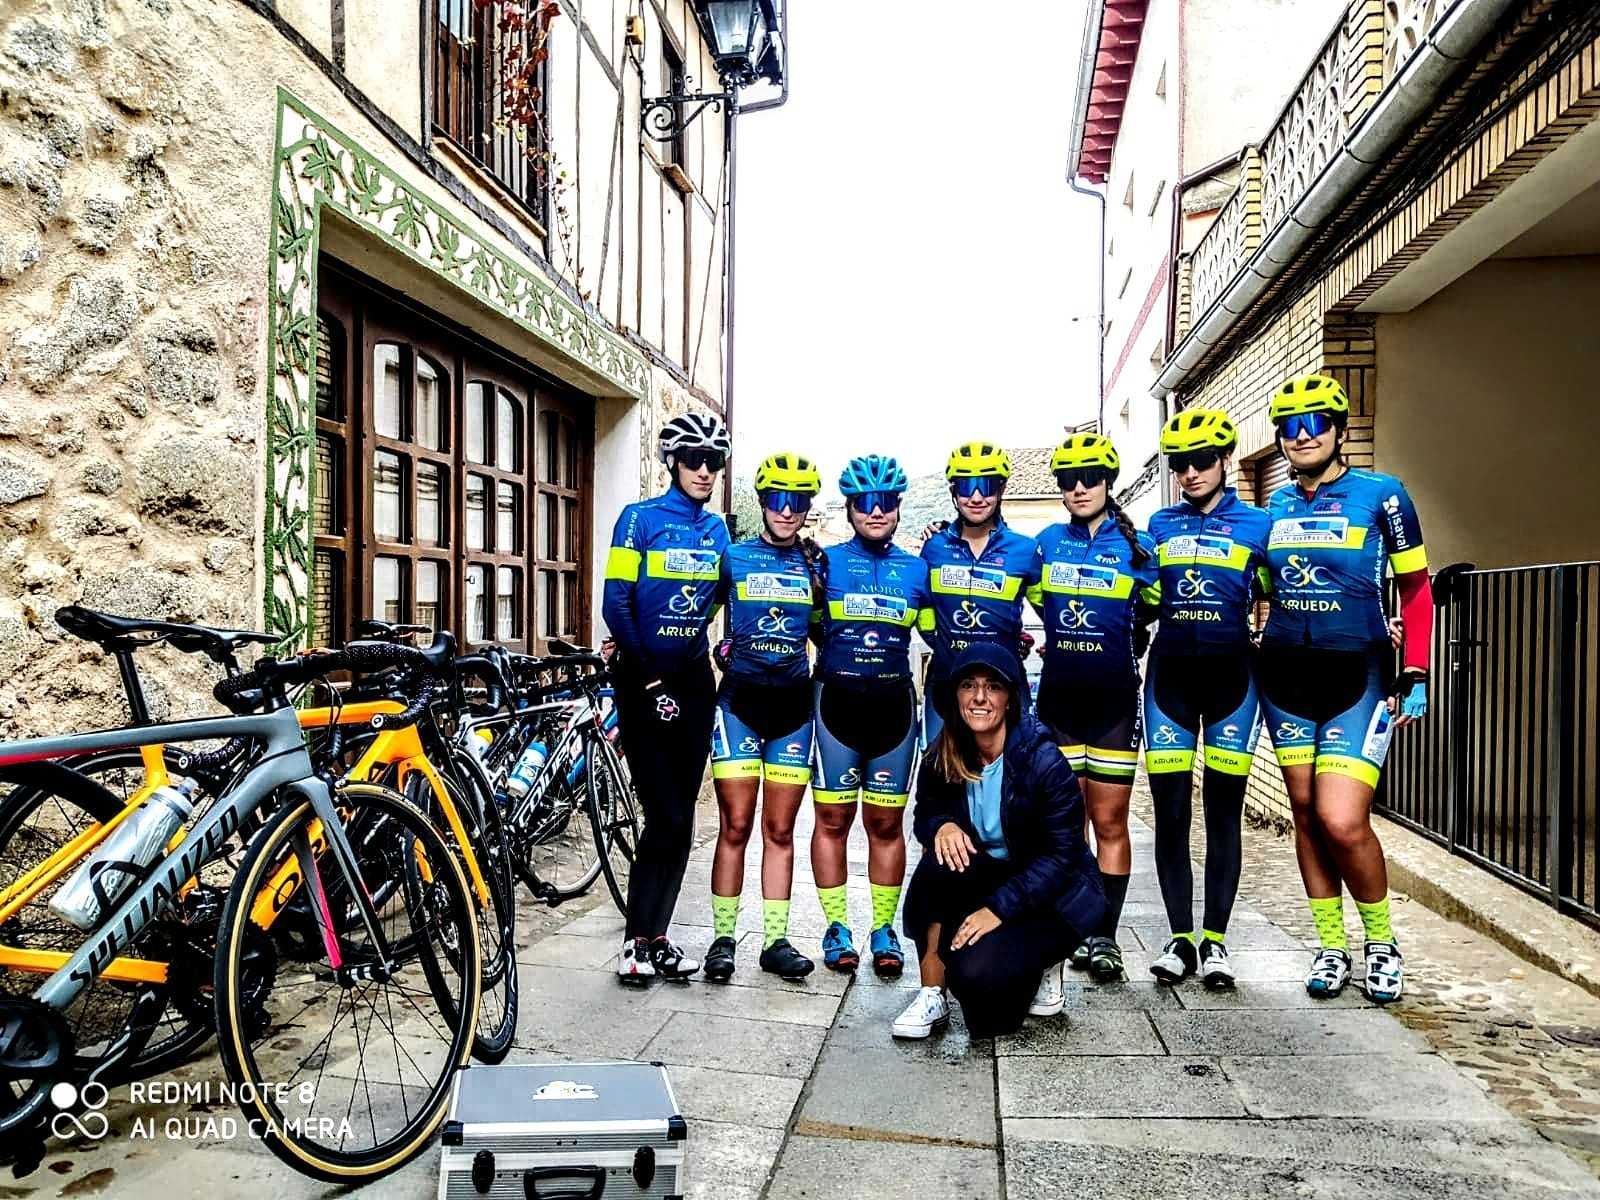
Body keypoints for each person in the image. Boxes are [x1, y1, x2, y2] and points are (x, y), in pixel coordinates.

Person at [1258, 374, 1432, 1004]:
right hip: (1283, 676)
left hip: (1356, 674)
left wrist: (1415, 669)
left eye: (1315, 423)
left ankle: (1381, 943)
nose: (1302, 435)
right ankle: (1332, 946)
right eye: (1290, 426)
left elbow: (1415, 589)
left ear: (1339, 430)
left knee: (1341, 817)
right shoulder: (1272, 508)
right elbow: (1251, 583)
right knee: (1305, 812)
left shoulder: (1382, 494)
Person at [892, 643, 1106, 1040]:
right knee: (938, 861)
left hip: (1053, 896)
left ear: (1009, 699)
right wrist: (941, 826)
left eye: (992, 687)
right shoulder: (944, 755)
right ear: (955, 695)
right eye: (969, 686)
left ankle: (1048, 959)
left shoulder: (1043, 761)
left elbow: (1061, 857)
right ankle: (931, 993)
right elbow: (926, 814)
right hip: (990, 876)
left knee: (989, 1013)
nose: (979, 698)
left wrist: (996, 910)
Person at [1143, 409, 1273, 989]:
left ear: (1225, 462)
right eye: (1180, 464)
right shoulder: (1158, 525)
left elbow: (1289, 590)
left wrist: (1379, 628)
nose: (1190, 472)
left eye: (1201, 461)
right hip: (1168, 680)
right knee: (1171, 816)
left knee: (1222, 815)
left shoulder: (1259, 525)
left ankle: (1216, 941)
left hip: (1232, 684)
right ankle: (1179, 939)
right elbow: (1138, 598)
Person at [1025, 432, 1157, 987]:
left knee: (1109, 822)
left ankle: (1103, 934)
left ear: (1109, 482)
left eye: (1090, 478)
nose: (1079, 488)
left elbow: (1153, 608)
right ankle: (1069, 927)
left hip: (1113, 704)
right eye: (1067, 481)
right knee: (1064, 826)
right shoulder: (1046, 542)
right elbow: (1028, 597)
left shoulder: (1138, 545)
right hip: (1057, 701)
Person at [603, 411, 731, 985]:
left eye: (715, 461)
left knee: (681, 823)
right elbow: (616, 603)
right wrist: (648, 675)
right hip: (643, 680)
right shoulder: (639, 520)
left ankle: (657, 937)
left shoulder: (720, 531)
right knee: (666, 814)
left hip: (695, 681)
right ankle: (634, 939)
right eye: (695, 460)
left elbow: (731, 597)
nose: (705, 471)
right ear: (673, 463)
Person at [810, 454, 934, 977]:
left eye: (886, 503)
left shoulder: (916, 568)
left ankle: (884, 927)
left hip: (893, 710)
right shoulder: (826, 562)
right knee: (832, 820)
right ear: (851, 508)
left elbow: (936, 635)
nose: (876, 511)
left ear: (899, 507)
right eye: (866, 503)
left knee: (886, 824)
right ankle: (837, 926)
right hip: (835, 705)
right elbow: (809, 626)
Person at [704, 453, 822, 983]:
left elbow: (828, 632)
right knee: (735, 825)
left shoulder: (815, 566)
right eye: (777, 499)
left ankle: (775, 940)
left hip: (793, 709)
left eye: (797, 502)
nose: (787, 510)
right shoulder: (734, 557)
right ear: (762, 502)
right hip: (739, 705)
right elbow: (692, 615)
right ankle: (722, 939)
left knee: (780, 829)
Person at [918, 441, 1038, 746]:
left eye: (984, 486)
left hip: (1005, 682)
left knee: (1010, 784)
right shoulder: (934, 547)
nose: (975, 496)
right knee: (941, 783)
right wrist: (946, 644)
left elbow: (1053, 611)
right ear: (953, 492)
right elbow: (924, 610)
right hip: (946, 680)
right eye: (966, 486)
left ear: (1000, 490)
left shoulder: (1025, 550)